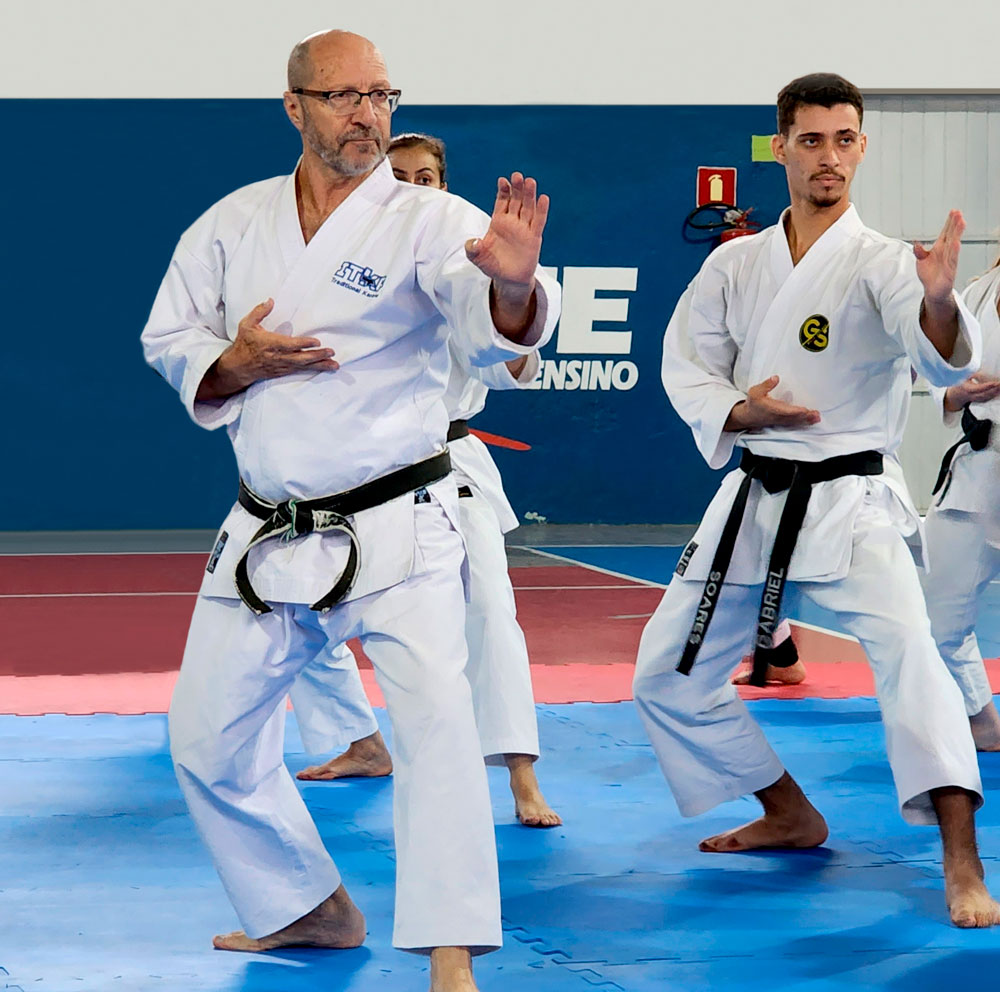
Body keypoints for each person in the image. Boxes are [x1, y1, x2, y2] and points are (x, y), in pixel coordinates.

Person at [141, 29, 559, 992]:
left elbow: (493, 329)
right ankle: (304, 906)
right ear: (295, 107)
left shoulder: (427, 217)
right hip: (267, 525)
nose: (368, 114)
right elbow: (172, 335)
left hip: (397, 524)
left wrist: (510, 286)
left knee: (439, 736)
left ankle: (451, 957)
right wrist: (230, 362)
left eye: (381, 95)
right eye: (343, 97)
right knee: (205, 739)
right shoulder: (231, 225)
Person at [632, 72, 1000, 928]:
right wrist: (736, 410)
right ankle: (787, 809)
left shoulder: (884, 263)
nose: (828, 156)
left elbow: (941, 357)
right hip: (754, 496)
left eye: (843, 139)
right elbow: (686, 359)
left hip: (852, 502)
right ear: (782, 148)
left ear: (861, 147)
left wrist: (943, 304)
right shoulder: (737, 261)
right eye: (810, 140)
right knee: (666, 675)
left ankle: (962, 859)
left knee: (914, 658)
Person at [289, 132, 561, 829]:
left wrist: (514, 286)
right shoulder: (346, 265)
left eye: (426, 176)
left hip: (449, 467)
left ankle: (522, 777)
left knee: (490, 616)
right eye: (399, 175)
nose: (413, 185)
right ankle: (358, 739)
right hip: (351, 469)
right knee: (294, 605)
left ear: (444, 186)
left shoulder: (471, 265)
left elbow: (512, 364)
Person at [922, 256, 1000, 749]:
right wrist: (951, 395)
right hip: (977, 470)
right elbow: (938, 372)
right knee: (936, 619)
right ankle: (981, 718)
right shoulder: (974, 294)